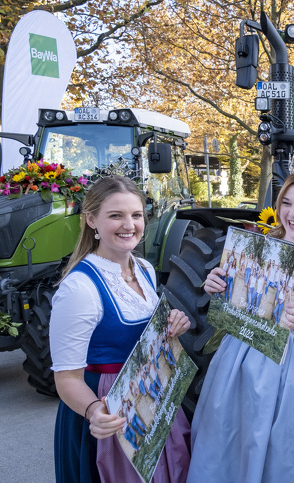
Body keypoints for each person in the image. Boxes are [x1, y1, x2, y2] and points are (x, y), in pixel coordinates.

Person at [187, 172, 294, 482]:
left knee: (282, 455)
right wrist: (219, 290)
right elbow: (240, 310)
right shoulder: (263, 245)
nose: (292, 213)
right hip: (238, 367)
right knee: (231, 441)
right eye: (286, 203)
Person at [50, 175, 191, 482]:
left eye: (136, 215)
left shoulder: (144, 270)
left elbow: (143, 340)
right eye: (116, 215)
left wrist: (170, 330)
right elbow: (66, 377)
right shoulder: (79, 288)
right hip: (110, 408)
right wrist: (94, 412)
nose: (129, 225)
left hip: (153, 396)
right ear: (92, 220)